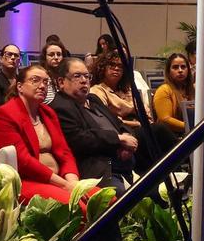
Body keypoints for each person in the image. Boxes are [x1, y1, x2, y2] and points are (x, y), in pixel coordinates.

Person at [0, 63, 88, 205]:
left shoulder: (48, 112)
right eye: (35, 80)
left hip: (58, 180)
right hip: (24, 181)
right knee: (78, 207)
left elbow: (64, 152)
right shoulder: (5, 114)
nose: (42, 86)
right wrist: (65, 185)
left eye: (46, 82)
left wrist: (74, 183)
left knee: (107, 200)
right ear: (20, 86)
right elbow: (23, 161)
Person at [50, 57, 139, 194]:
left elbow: (119, 123)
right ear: (61, 82)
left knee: (154, 132)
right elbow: (80, 139)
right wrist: (118, 139)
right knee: (124, 198)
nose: (84, 80)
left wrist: (127, 137)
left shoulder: (93, 99)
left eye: (87, 76)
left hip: (124, 162)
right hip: (101, 167)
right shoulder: (60, 106)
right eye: (77, 76)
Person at [89, 50, 152, 131]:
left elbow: (145, 112)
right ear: (103, 67)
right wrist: (136, 123)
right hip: (122, 132)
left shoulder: (127, 90)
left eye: (120, 66)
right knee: (159, 129)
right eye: (112, 65)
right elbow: (106, 119)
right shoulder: (97, 90)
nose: (116, 68)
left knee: (159, 129)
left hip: (142, 128)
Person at [153, 53, 192, 138]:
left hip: (193, 133)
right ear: (168, 71)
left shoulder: (192, 90)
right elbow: (165, 120)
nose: (180, 70)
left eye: (183, 67)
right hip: (171, 137)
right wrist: (191, 127)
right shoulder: (164, 90)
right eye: (175, 67)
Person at [40, 40, 68, 104]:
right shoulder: (41, 76)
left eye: (59, 54)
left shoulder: (67, 76)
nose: (56, 57)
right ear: (45, 57)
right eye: (51, 55)